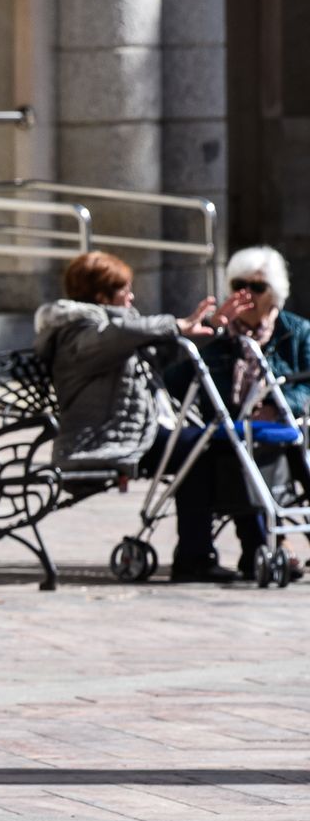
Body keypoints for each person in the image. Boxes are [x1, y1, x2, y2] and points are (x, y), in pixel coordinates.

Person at [33, 250, 249, 582]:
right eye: (125, 290)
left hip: (138, 429)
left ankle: (250, 550)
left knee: (220, 443)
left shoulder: (119, 328)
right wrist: (173, 324)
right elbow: (114, 338)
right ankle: (195, 557)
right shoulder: (79, 332)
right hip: (103, 437)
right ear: (101, 294)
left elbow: (161, 354)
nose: (132, 296)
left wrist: (210, 327)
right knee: (200, 448)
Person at [164, 245, 310, 578]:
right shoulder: (219, 336)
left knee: (274, 451)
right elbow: (174, 380)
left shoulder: (296, 331)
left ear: (274, 293)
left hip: (285, 428)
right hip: (229, 430)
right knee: (215, 450)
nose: (247, 295)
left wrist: (278, 404)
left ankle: (263, 548)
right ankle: (258, 548)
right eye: (239, 286)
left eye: (257, 288)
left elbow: (307, 383)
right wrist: (213, 328)